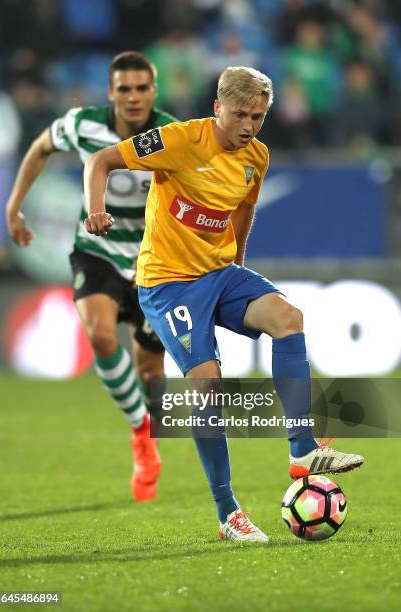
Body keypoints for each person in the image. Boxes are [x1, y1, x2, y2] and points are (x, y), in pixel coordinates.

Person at [83, 66, 364, 543]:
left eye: (258, 116)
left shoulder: (257, 156)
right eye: (240, 115)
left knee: (288, 317)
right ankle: (227, 512)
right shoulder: (177, 140)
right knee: (209, 388)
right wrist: (95, 209)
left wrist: (237, 264)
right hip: (168, 283)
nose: (249, 126)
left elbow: (244, 208)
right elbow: (101, 162)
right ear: (217, 108)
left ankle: (302, 449)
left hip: (219, 273)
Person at [6, 51, 177, 502]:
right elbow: (41, 146)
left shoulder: (172, 134)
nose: (134, 96)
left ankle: (150, 429)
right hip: (97, 252)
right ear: (110, 92)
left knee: (151, 373)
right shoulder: (82, 124)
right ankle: (140, 432)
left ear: (154, 91)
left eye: (142, 88)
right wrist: (14, 203)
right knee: (101, 337)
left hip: (152, 262)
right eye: (125, 88)